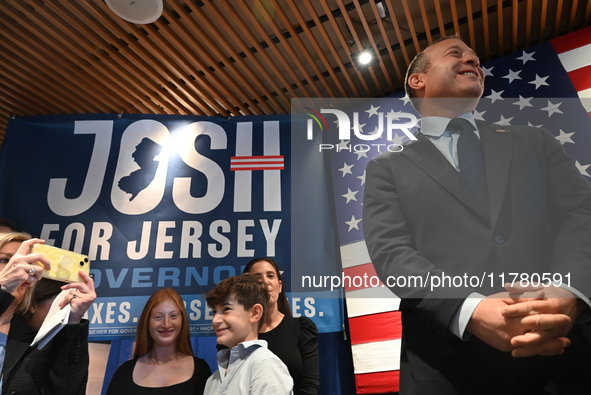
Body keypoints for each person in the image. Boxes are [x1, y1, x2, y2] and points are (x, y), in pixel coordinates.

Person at [363, 35, 591, 394]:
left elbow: (583, 213)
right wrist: (470, 308)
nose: (473, 60)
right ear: (417, 80)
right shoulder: (386, 168)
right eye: (456, 53)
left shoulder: (534, 140)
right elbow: (393, 253)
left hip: (562, 356)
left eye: (476, 58)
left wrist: (569, 291)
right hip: (446, 367)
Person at [0, 232, 96, 394]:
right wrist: (2, 289)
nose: (18, 268)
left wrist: (72, 322)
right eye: (4, 260)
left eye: (27, 263)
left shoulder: (37, 342)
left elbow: (67, 391)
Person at [106, 288, 211, 394]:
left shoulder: (200, 370)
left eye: (173, 316)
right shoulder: (124, 373)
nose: (166, 324)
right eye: (158, 317)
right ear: (147, 323)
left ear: (182, 321)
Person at [204, 274, 293, 394]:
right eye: (214, 312)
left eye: (226, 309)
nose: (215, 320)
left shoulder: (266, 366)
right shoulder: (213, 380)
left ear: (255, 313)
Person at [243, 257, 319, 395]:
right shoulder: (238, 334)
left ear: (280, 285)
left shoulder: (301, 328)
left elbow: (310, 385)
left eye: (270, 276)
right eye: (257, 278)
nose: (265, 282)